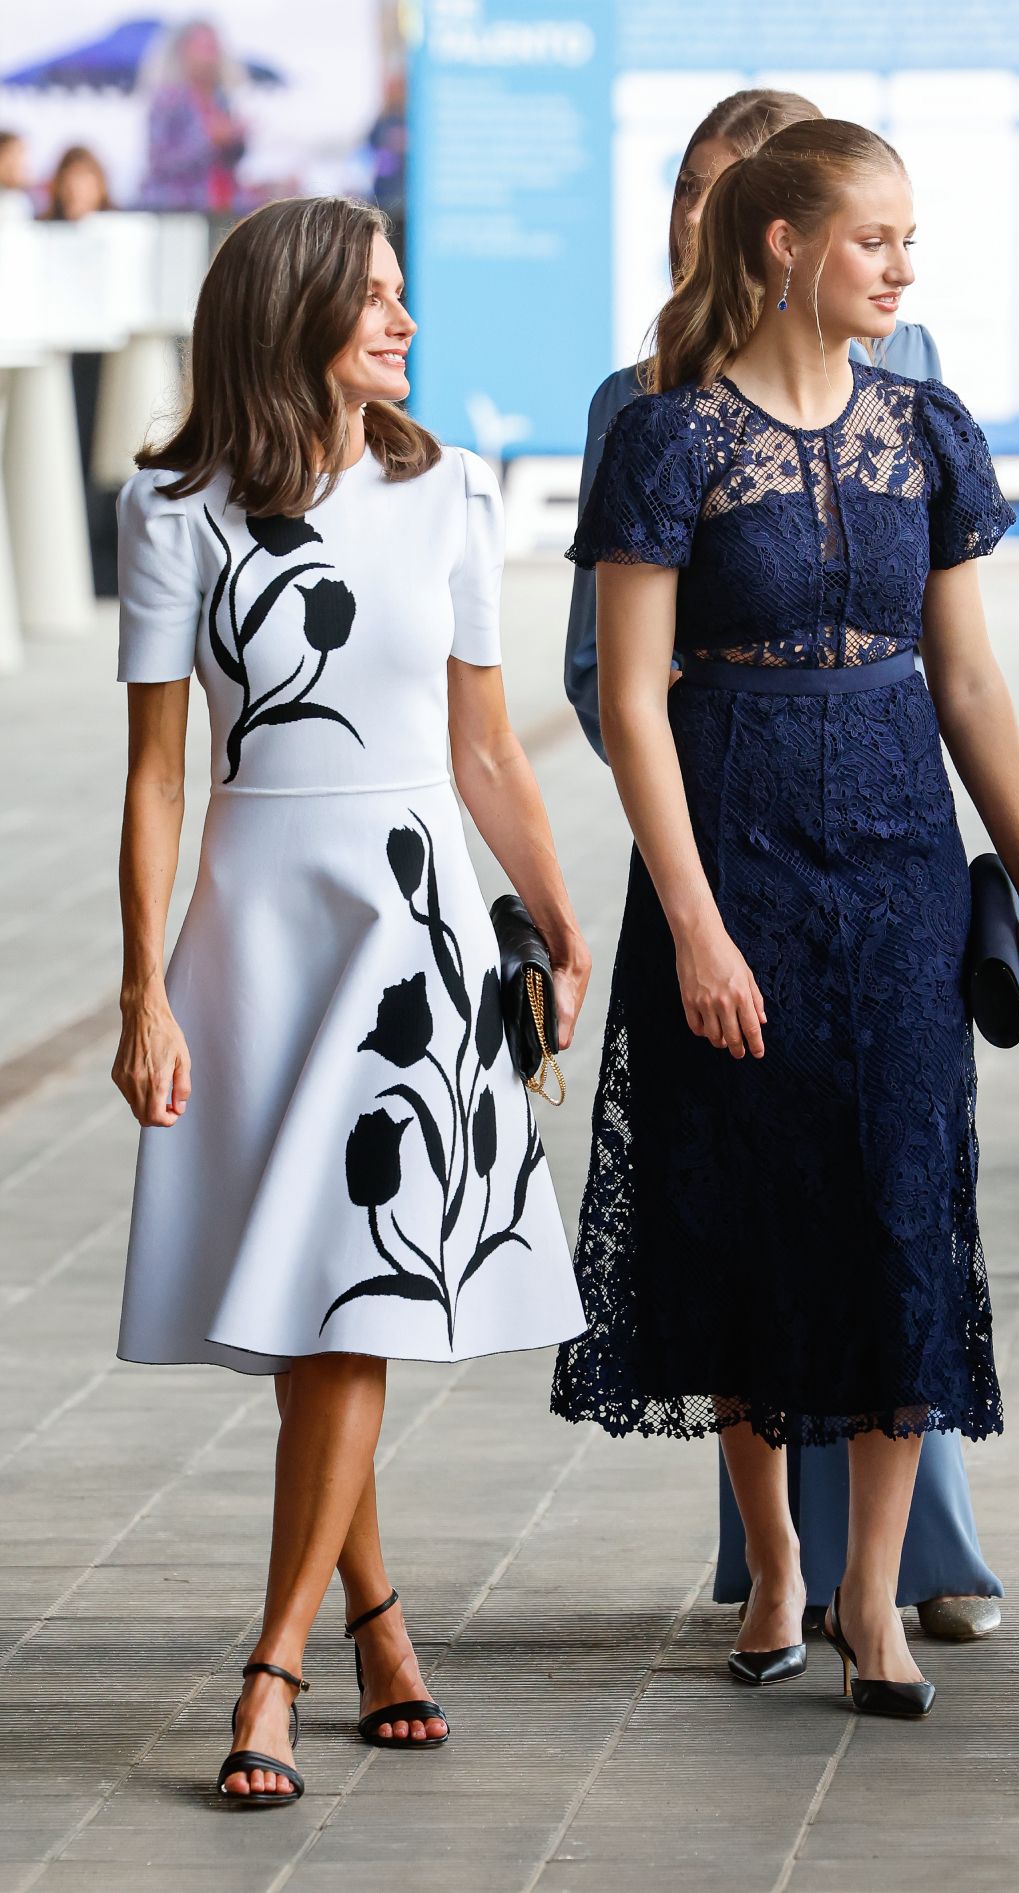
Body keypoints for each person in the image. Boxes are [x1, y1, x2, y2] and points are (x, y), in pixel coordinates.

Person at [551, 118, 1019, 1718]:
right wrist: (694, 925)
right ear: (783, 248)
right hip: (739, 841)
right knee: (752, 1207)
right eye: (875, 240)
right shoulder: (669, 438)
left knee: (904, 1199)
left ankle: (873, 1594)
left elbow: (967, 674)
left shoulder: (927, 428)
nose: (904, 268)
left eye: (910, 240)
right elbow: (632, 702)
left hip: (905, 851)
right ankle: (773, 1561)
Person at [111, 195, 591, 1802]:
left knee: (348, 1297)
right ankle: (378, 1618)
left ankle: (274, 1669)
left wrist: (560, 916)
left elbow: (484, 748)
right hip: (256, 931)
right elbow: (159, 775)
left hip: (414, 925)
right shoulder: (174, 507)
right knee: (332, 1297)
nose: (401, 321)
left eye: (403, 294)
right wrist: (142, 988)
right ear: (288, 311)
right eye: (372, 298)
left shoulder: (449, 487)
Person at [139, 19, 248, 213]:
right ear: (183, 51)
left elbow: (227, 163)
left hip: (220, 205)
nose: (211, 54)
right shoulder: (167, 100)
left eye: (214, 46)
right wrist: (210, 139)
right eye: (204, 46)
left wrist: (236, 139)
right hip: (179, 210)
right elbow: (160, 161)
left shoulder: (220, 99)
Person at [42, 145, 111, 221]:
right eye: (68, 184)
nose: (76, 192)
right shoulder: (41, 227)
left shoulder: (119, 224)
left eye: (83, 183)